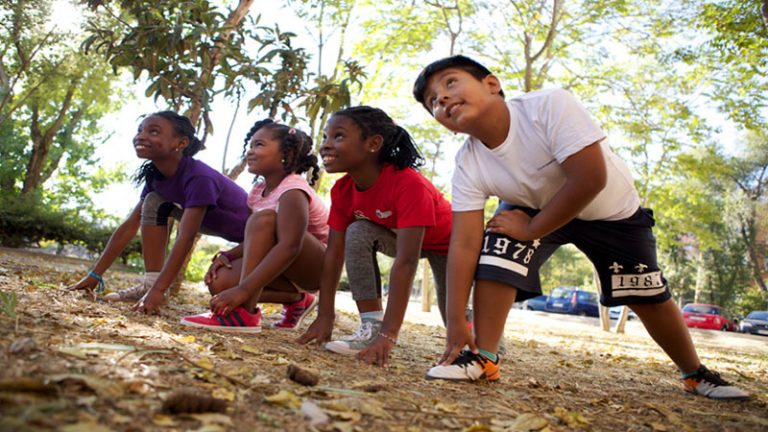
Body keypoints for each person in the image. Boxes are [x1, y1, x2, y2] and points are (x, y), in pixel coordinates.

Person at [411, 55, 750, 400]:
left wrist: (531, 229)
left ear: (492, 84)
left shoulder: (548, 105)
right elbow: (465, 244)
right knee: (496, 247)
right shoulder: (468, 162)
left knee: (647, 294)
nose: (442, 98)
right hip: (533, 208)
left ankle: (694, 373)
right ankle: (485, 358)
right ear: (446, 125)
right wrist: (454, 321)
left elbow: (590, 178)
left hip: (610, 212)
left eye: (451, 82)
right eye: (433, 102)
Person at [297, 106, 452, 368]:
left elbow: (406, 262)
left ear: (373, 144)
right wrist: (325, 315)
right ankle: (370, 325)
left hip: (449, 244)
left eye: (338, 136)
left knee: (453, 314)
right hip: (399, 237)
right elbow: (333, 254)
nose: (325, 146)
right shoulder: (343, 190)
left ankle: (484, 338)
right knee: (357, 231)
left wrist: (388, 336)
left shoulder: (408, 184)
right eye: (325, 137)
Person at [68, 111, 251, 315]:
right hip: (233, 235)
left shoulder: (199, 177)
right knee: (153, 201)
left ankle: (293, 298)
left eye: (153, 131)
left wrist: (159, 292)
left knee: (221, 283)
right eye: (140, 131)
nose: (141, 136)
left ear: (180, 143)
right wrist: (94, 275)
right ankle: (150, 283)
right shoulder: (156, 177)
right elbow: (129, 226)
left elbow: (186, 236)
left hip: (260, 238)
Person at [180, 119, 328, 332]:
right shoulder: (257, 192)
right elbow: (258, 240)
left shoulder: (294, 190)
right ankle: (298, 300)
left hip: (315, 268)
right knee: (220, 283)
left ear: (288, 153)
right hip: (284, 265)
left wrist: (243, 290)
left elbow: (290, 245)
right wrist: (228, 255)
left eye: (259, 145)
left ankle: (244, 314)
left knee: (264, 219)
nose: (250, 151)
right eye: (249, 145)